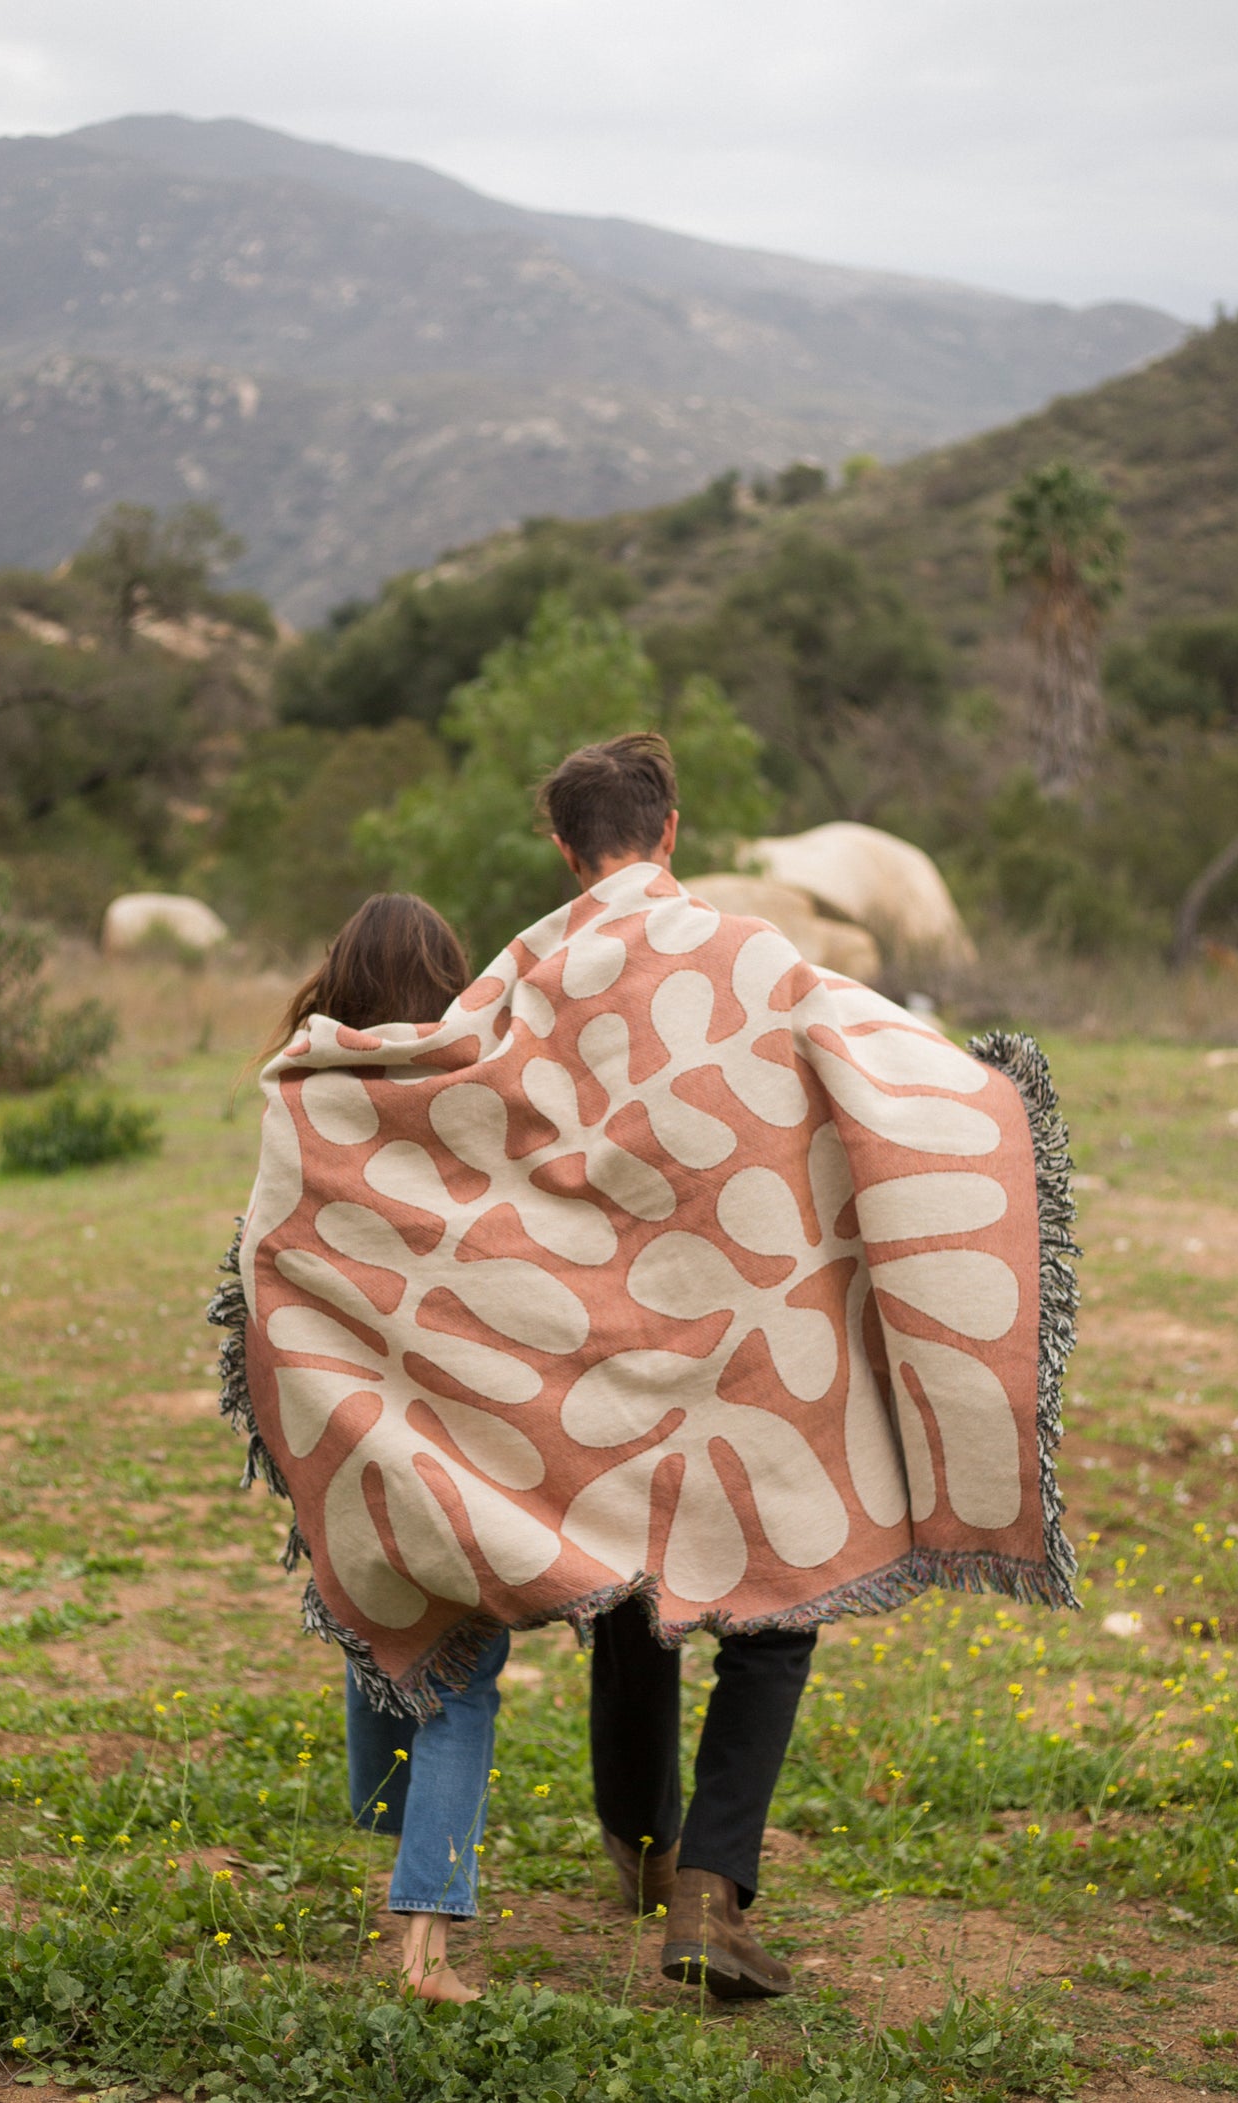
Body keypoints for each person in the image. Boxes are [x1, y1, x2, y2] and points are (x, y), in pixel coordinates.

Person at [542, 733, 815, 2000]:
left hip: (600, 1331)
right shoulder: (758, 954)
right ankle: (708, 1888)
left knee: (628, 1593)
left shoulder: (530, 972)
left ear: (564, 847)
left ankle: (644, 1850)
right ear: (669, 831)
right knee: (772, 1607)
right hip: (751, 1330)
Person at [265, 893, 507, 2005]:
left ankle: (389, 1821)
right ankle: (423, 1945)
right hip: (469, 1432)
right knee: (459, 1672)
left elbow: (266, 1260)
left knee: (380, 1622)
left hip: (345, 1431)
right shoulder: (487, 1089)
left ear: (339, 978)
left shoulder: (302, 1091)